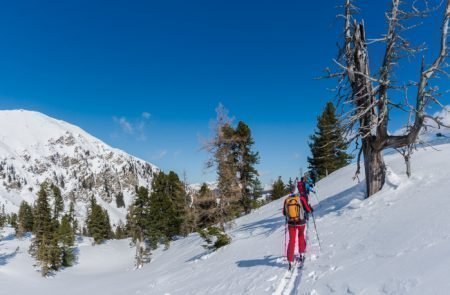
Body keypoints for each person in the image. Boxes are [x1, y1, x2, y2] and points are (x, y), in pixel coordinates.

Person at [282, 191, 313, 270]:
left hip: (291, 223)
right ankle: (301, 254)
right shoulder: (301, 198)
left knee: (291, 240)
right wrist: (310, 209)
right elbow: (307, 208)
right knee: (301, 236)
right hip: (301, 222)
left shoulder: (286, 200)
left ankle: (290, 260)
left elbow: (284, 213)